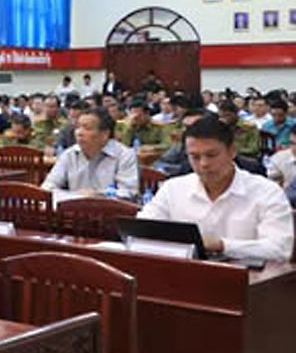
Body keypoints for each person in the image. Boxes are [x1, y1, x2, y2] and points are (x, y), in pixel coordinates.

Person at [139, 116, 292, 261]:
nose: (204, 164)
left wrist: (222, 245)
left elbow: (280, 249)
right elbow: (141, 232)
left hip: (246, 277)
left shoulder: (266, 192)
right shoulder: (173, 188)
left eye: (211, 155)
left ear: (232, 151)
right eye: (195, 157)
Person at [42, 107, 139, 198]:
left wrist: (100, 195)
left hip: (111, 209)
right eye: (77, 127)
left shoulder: (124, 155)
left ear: (105, 134)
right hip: (74, 207)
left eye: (87, 128)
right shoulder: (69, 154)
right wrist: (76, 196)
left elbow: (129, 193)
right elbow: (47, 187)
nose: (79, 133)